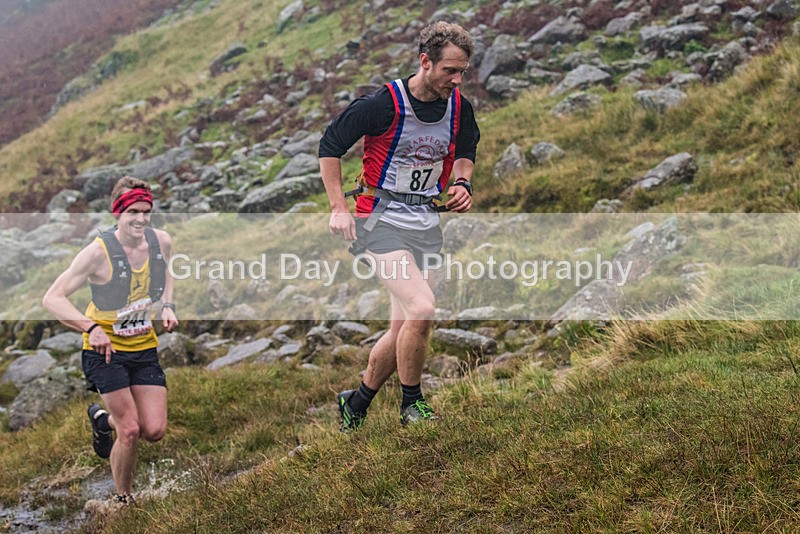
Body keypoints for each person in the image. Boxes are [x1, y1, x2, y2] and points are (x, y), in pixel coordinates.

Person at [319, 20, 480, 431]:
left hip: (424, 219)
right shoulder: (382, 104)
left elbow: (466, 151)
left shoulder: (459, 107)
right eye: (450, 71)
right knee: (422, 307)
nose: (457, 80)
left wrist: (462, 182)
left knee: (405, 325)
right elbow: (330, 146)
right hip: (378, 219)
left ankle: (355, 403)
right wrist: (338, 208)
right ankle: (412, 405)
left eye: (462, 71)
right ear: (425, 62)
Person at [42, 176, 178, 505]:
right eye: (133, 211)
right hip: (105, 352)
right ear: (117, 213)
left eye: (147, 211)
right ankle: (124, 499)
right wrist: (91, 328)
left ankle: (103, 420)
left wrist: (168, 305)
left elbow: (168, 269)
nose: (141, 219)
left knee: (154, 430)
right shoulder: (96, 253)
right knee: (130, 430)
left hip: (143, 347)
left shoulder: (161, 241)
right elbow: (52, 298)